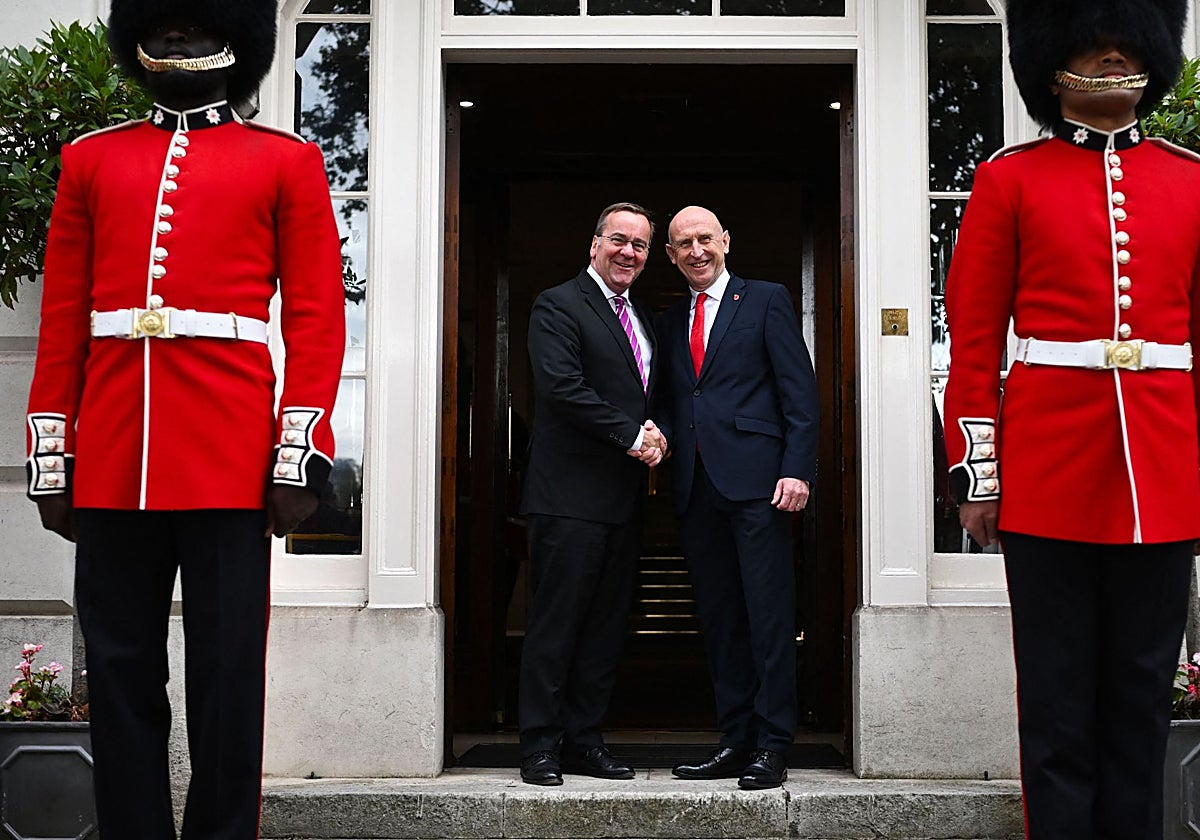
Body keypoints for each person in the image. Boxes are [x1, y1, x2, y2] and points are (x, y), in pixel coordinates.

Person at [24, 0, 345, 834]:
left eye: (195, 22)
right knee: (122, 680)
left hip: (230, 461)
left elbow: (315, 319)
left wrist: (296, 451)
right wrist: (53, 457)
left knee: (228, 678)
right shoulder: (91, 160)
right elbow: (63, 323)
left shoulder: (286, 161)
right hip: (115, 463)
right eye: (162, 20)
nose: (175, 34)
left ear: (231, 38)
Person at [943, 0, 1197, 835]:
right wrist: (980, 475)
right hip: (1048, 477)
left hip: (1164, 478)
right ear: (1054, 61)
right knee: (1055, 707)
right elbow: (975, 343)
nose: (1111, 55)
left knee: (1140, 700)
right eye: (1091, 41)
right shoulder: (1009, 179)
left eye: (1127, 41)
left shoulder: (1189, 179)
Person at [654, 205, 818, 790]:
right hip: (697, 489)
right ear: (670, 256)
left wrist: (797, 470)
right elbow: (677, 404)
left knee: (767, 617)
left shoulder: (766, 299)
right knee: (721, 620)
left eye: (705, 239)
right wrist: (660, 436)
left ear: (726, 239)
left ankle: (773, 745)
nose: (696, 251)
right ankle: (735, 740)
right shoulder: (672, 322)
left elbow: (799, 392)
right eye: (683, 244)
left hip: (760, 488)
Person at [517, 202, 665, 786]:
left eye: (641, 245)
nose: (629, 252)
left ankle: (584, 741)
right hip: (567, 498)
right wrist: (632, 434)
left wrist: (658, 435)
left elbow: (651, 396)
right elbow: (561, 387)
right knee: (556, 626)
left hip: (624, 499)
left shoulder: (645, 317)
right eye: (619, 240)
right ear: (594, 244)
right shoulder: (558, 304)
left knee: (605, 629)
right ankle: (539, 746)